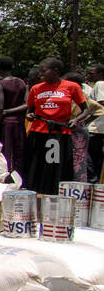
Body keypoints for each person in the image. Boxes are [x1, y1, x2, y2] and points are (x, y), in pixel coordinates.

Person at [23, 58, 86, 195]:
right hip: (39, 131)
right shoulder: (36, 88)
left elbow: (85, 109)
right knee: (37, 164)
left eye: (44, 71)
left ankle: (54, 194)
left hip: (60, 132)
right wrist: (29, 116)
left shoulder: (71, 86)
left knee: (55, 165)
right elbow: (30, 110)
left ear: (56, 71)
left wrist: (76, 120)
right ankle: (36, 193)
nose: (41, 74)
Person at [0, 56, 27, 176]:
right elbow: (27, 104)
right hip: (20, 122)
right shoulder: (22, 83)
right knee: (19, 153)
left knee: (6, 153)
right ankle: (19, 178)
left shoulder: (0, 84)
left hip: (6, 124)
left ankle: (7, 178)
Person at [64, 69, 101, 183]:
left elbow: (99, 110)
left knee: (80, 158)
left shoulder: (82, 96)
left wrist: (80, 121)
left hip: (77, 131)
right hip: (67, 129)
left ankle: (83, 182)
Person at [87, 64, 104, 182]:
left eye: (92, 73)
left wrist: (85, 119)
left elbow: (101, 105)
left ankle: (94, 182)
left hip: (97, 127)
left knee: (92, 158)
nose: (88, 75)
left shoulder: (100, 84)